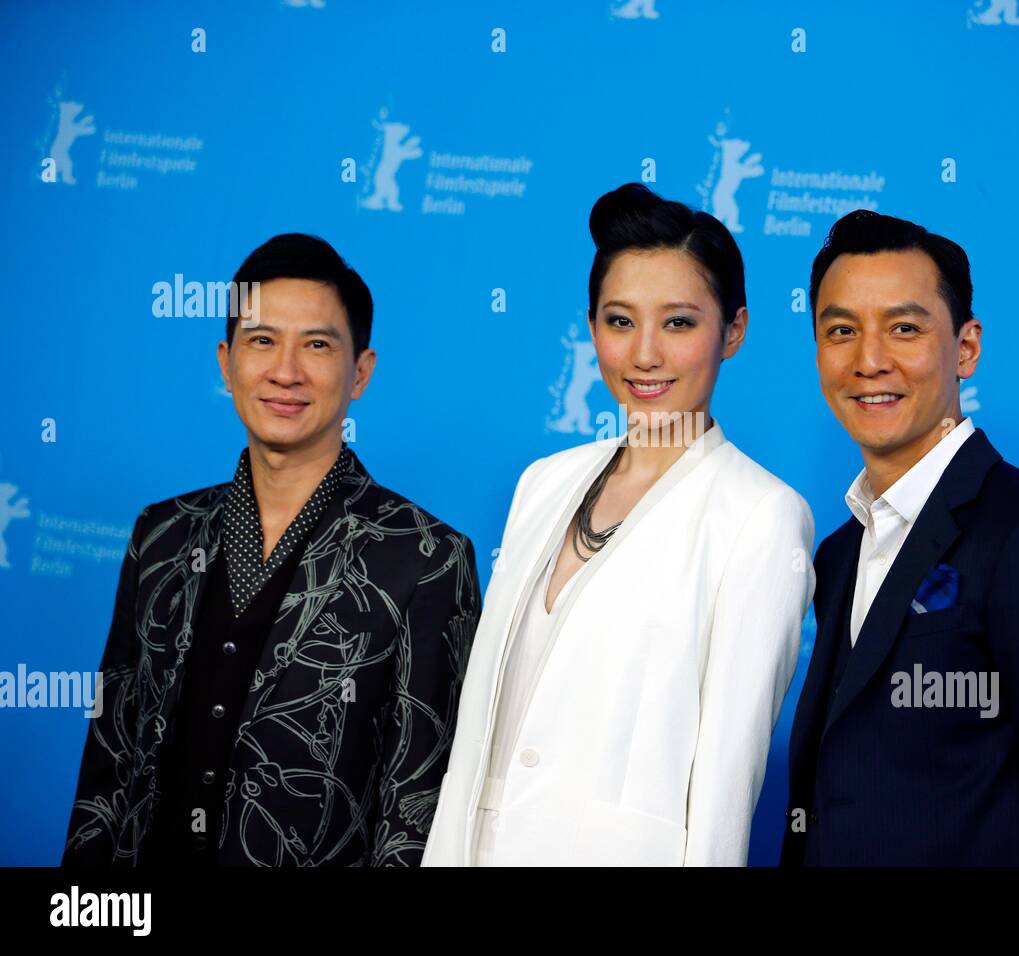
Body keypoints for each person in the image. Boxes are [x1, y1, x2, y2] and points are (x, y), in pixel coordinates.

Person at [422, 183, 815, 866]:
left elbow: (727, 778)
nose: (644, 354)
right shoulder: (543, 483)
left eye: (680, 322)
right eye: (620, 320)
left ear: (736, 330)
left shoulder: (761, 515)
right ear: (592, 325)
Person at [62, 233, 480, 866]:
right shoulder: (162, 534)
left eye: (316, 344)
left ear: (360, 372)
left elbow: (416, 809)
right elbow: (109, 763)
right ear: (226, 362)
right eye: (262, 341)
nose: (286, 371)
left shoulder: (424, 558)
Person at [782, 210, 1019, 866]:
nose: (869, 361)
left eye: (904, 328)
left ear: (967, 347)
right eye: (841, 331)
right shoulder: (840, 552)